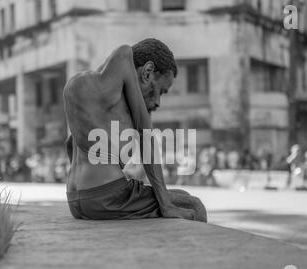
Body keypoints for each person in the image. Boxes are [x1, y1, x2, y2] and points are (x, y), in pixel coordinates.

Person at [63, 39, 206, 222]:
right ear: (147, 72)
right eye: (160, 91)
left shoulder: (82, 86)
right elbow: (147, 136)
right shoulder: (123, 55)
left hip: (75, 199)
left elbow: (69, 144)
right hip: (109, 197)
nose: (158, 102)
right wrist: (167, 206)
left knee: (180, 194)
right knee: (193, 205)